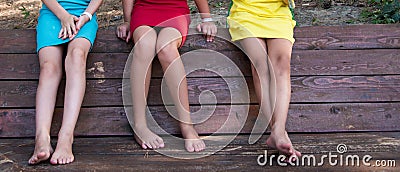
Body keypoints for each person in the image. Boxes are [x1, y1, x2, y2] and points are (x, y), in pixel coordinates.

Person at [116, 0, 217, 152]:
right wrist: (127, 21)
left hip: (175, 10)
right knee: (144, 45)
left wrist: (207, 18)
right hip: (144, 9)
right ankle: (140, 125)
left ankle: (186, 125)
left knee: (166, 48)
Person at [28, 0, 103, 165]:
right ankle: (42, 138)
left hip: (83, 15)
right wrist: (63, 16)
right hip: (53, 13)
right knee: (48, 67)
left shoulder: (86, 15)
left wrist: (87, 16)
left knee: (77, 56)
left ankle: (66, 137)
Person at [227, 0, 301, 158]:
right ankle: (279, 133)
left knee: (282, 64)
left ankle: (278, 131)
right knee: (260, 64)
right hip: (245, 12)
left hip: (278, 12)